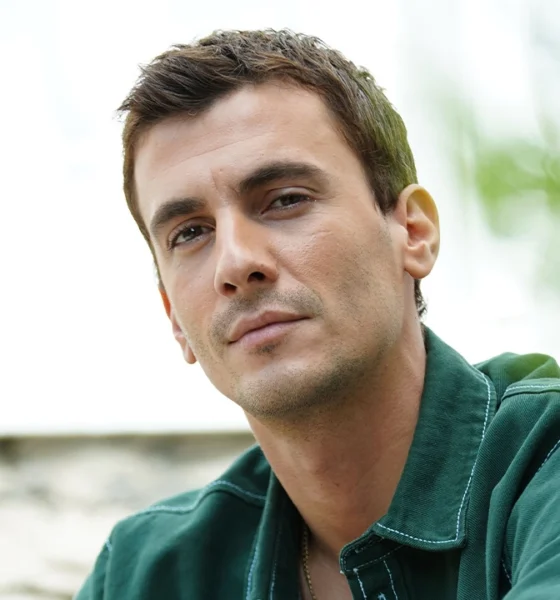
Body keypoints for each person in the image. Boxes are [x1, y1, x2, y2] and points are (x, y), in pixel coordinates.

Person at [76, 29, 560, 600]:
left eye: (286, 200)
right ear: (174, 317)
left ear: (412, 232)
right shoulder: (141, 575)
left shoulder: (543, 464)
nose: (235, 263)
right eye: (190, 233)